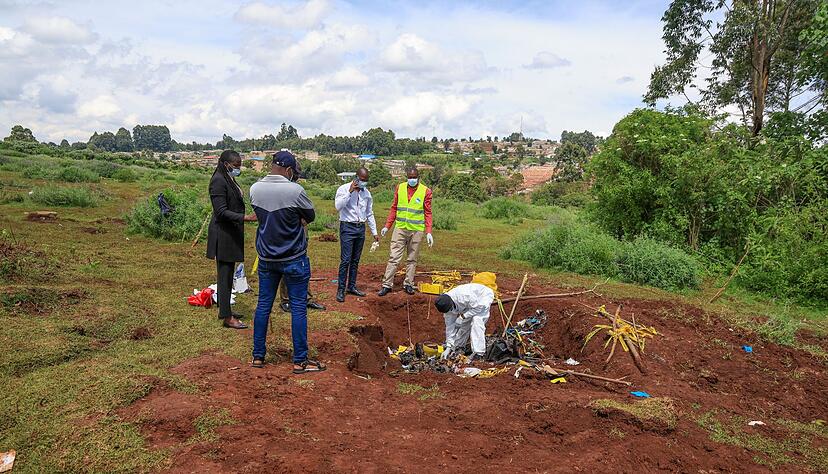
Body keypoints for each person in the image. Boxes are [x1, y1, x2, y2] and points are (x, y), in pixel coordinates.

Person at [250, 150, 325, 373]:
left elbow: (261, 217)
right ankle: (300, 360)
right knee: (299, 308)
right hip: (294, 258)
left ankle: (258, 356)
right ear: (290, 171)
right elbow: (309, 217)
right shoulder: (295, 190)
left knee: (263, 306)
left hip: (266, 258)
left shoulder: (255, 189)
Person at [206, 149, 256, 329]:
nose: (238, 169)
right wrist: (245, 218)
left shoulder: (228, 178)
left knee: (228, 275)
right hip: (223, 234)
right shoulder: (218, 181)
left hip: (230, 232)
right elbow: (220, 211)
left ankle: (225, 309)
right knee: (225, 274)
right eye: (236, 166)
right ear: (226, 164)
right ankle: (227, 318)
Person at [377, 167, 433, 296]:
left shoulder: (426, 191)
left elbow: (428, 212)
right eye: (410, 177)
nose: (412, 179)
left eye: (414, 177)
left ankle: (408, 283)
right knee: (394, 257)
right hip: (400, 228)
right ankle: (387, 285)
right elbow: (394, 208)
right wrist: (387, 226)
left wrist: (428, 231)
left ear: (418, 178)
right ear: (406, 177)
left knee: (412, 258)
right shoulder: (400, 188)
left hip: (417, 230)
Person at [334, 167, 379, 302]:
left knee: (355, 260)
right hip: (347, 227)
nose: (364, 183)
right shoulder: (343, 189)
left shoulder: (367, 194)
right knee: (346, 260)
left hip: (360, 228)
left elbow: (369, 213)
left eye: (366, 181)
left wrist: (374, 232)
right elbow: (338, 206)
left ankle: (351, 286)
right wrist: (349, 192)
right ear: (356, 177)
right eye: (362, 180)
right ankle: (341, 289)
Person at [434, 272, 498, 361]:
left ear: (452, 303)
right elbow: (450, 327)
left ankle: (479, 353)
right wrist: (449, 346)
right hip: (470, 305)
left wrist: (463, 316)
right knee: (463, 324)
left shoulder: (463, 296)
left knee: (476, 320)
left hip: (482, 298)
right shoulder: (447, 306)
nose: (451, 312)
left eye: (450, 310)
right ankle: (458, 347)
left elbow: (479, 307)